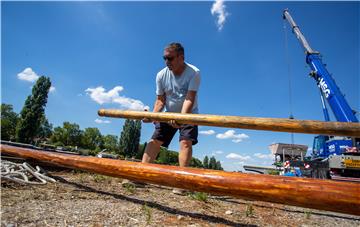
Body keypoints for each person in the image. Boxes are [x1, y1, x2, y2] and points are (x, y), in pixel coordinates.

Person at [141, 42, 200, 194]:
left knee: (186, 143)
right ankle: (141, 175)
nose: (167, 62)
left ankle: (181, 182)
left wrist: (181, 117)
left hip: (189, 113)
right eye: (164, 58)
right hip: (168, 113)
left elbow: (189, 98)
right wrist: (154, 115)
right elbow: (160, 99)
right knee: (154, 141)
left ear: (181, 57)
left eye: (170, 58)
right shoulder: (161, 75)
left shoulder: (194, 72)